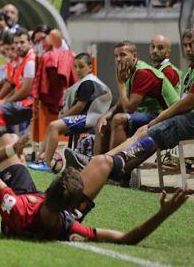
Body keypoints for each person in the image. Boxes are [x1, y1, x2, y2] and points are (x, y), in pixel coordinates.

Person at [0, 133, 187, 243]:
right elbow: (126, 238)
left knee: (8, 139)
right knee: (102, 164)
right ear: (76, 207)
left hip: (25, 201)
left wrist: (12, 150)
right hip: (47, 209)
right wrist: (163, 214)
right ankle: (121, 160)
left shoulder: (17, 206)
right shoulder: (69, 227)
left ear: (47, 191)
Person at [67, 29, 194, 173]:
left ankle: (115, 168)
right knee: (110, 122)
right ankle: (98, 162)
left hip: (167, 114)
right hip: (166, 114)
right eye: (116, 56)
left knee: (123, 121)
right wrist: (105, 116)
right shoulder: (132, 71)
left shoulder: (145, 72)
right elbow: (122, 103)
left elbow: (128, 108)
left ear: (134, 56)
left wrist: (120, 83)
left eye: (122, 55)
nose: (119, 59)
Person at [28, 53, 112, 172]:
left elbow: (79, 106)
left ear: (90, 67)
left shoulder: (88, 83)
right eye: (75, 66)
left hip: (91, 118)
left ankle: (46, 163)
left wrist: (63, 117)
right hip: (84, 117)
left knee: (54, 125)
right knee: (51, 127)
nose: (77, 70)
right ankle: (39, 159)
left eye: (81, 66)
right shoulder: (83, 82)